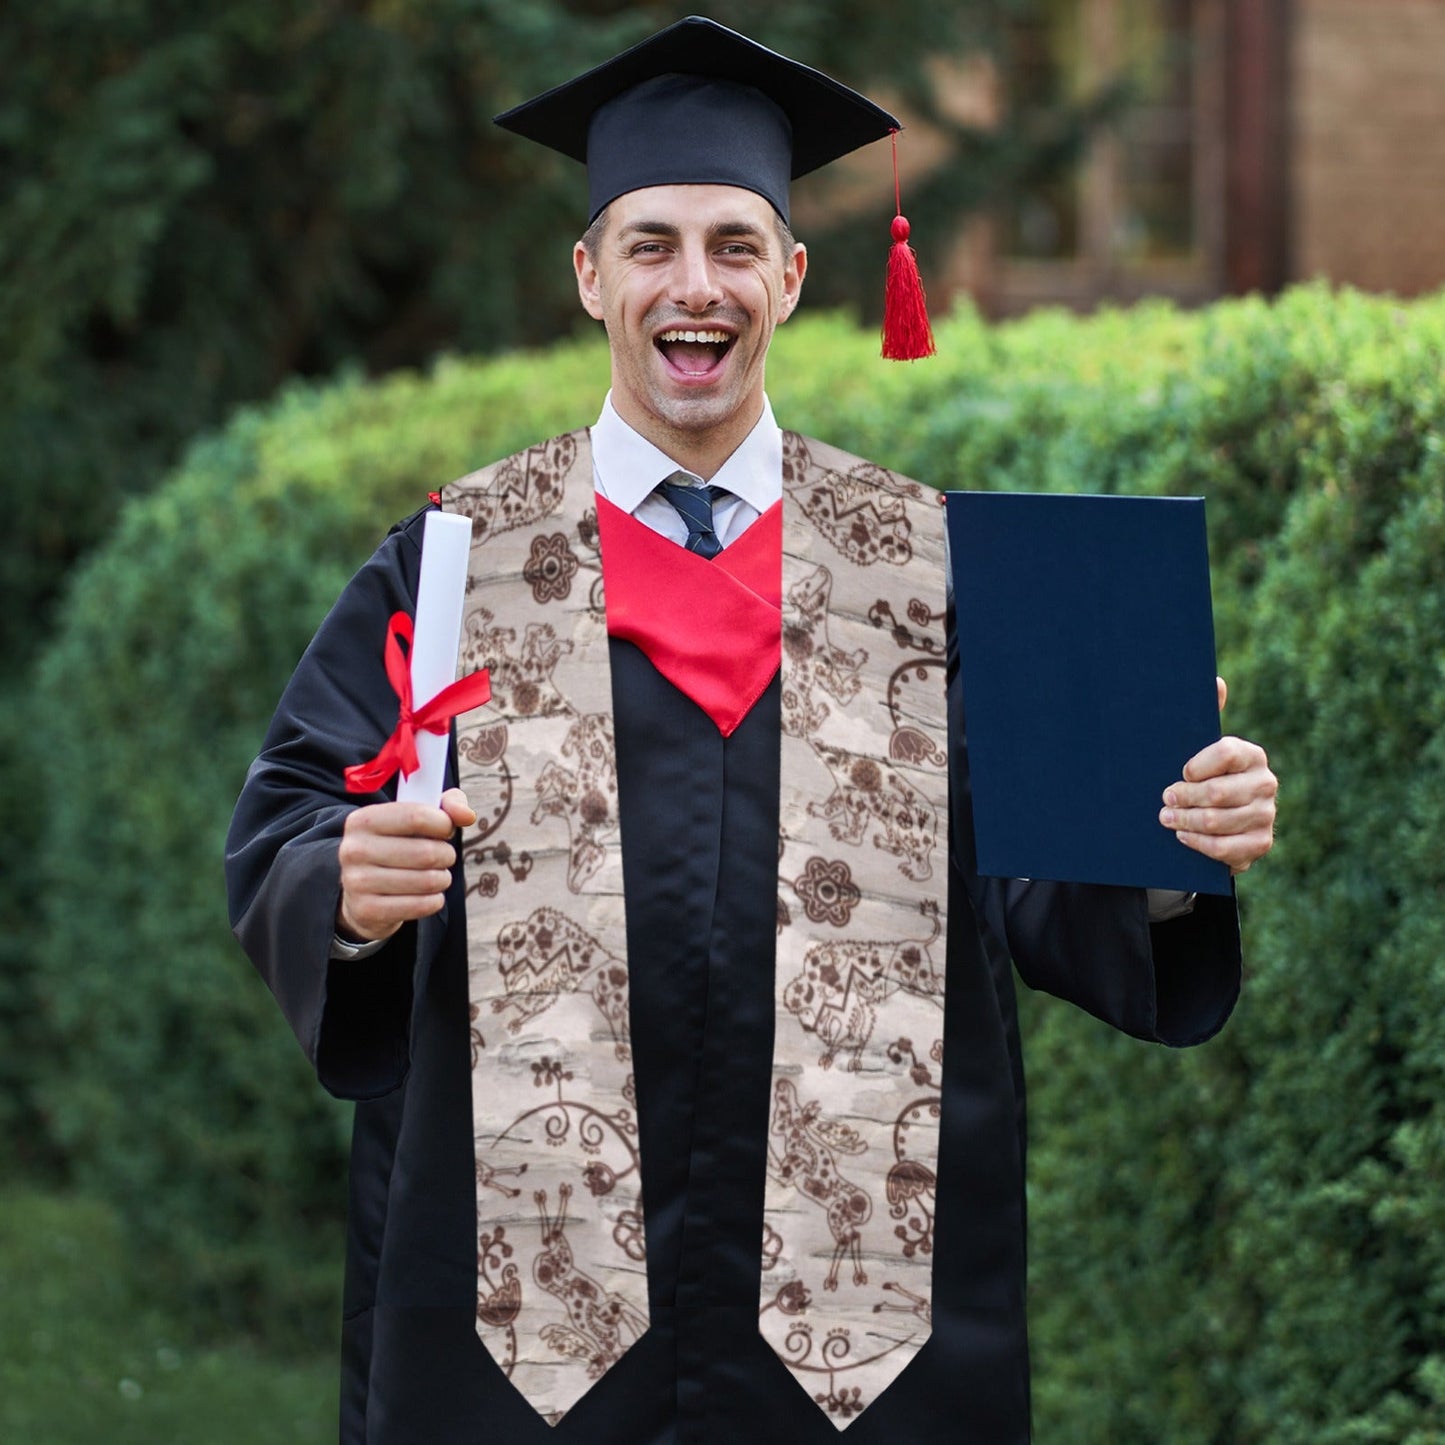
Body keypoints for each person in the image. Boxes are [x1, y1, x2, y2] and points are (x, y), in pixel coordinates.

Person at [225, 17, 1277, 1445]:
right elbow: (292, 817)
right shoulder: (461, 561)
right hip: (528, 1325)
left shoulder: (932, 567)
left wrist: (1165, 840)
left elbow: (1038, 883)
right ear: (589, 275)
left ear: (789, 276)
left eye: (732, 244)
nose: (692, 285)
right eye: (650, 244)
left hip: (860, 1331)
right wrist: (343, 887)